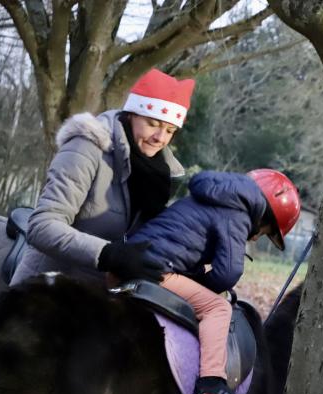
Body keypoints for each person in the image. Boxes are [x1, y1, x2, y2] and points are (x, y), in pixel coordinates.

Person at [129, 169, 301, 394]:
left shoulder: (216, 197)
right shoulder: (238, 214)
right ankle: (210, 385)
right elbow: (228, 273)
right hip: (154, 269)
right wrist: (205, 285)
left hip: (132, 259)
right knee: (217, 307)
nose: (254, 239)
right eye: (263, 233)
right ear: (265, 216)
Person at [10, 68, 196, 286]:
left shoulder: (161, 173)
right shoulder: (86, 147)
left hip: (106, 296)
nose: (160, 138)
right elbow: (42, 227)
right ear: (131, 114)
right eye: (153, 124)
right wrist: (108, 254)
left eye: (170, 130)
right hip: (47, 289)